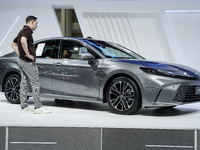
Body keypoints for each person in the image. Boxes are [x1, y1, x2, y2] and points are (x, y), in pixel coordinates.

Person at [11, 15, 51, 114]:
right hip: (27, 62)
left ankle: (24, 107)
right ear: (32, 22)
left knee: (24, 83)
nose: (37, 26)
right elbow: (23, 41)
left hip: (21, 61)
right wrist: (28, 55)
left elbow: (13, 44)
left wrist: (20, 54)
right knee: (35, 83)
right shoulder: (27, 30)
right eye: (36, 23)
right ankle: (38, 107)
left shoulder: (21, 31)